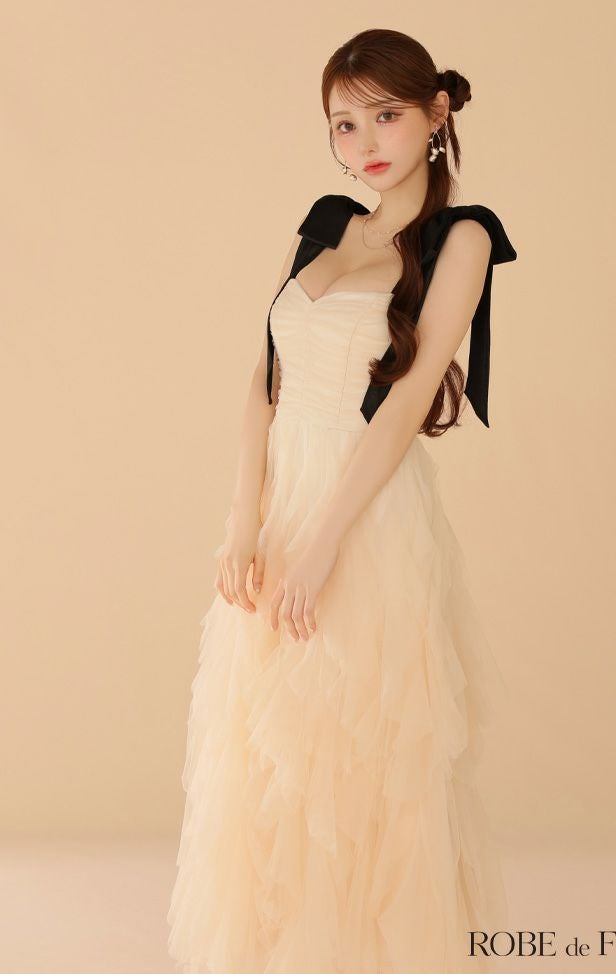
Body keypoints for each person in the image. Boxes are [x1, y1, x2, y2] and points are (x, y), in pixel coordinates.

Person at [167, 27, 517, 974]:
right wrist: (245, 521)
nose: (364, 142)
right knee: (271, 759)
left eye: (386, 115)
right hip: (283, 509)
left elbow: (407, 402)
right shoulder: (326, 220)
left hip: (368, 515)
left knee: (361, 755)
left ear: (436, 115)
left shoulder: (462, 237)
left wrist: (324, 542)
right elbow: (265, 373)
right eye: (344, 123)